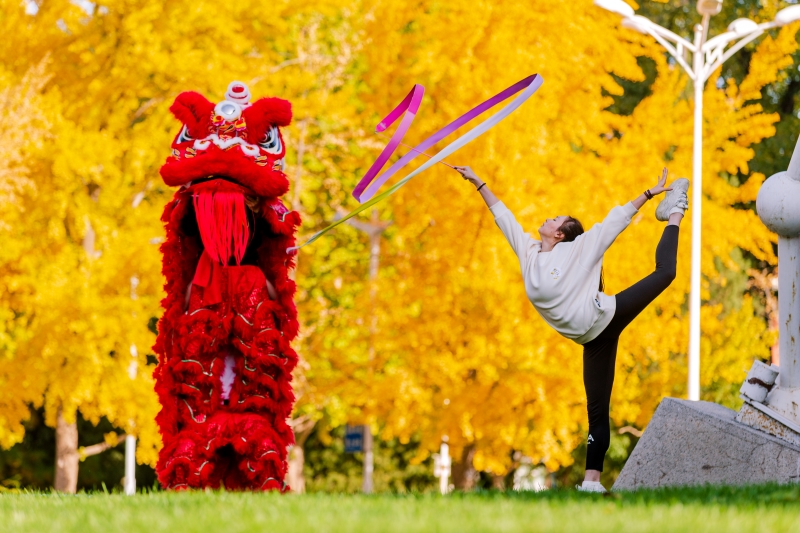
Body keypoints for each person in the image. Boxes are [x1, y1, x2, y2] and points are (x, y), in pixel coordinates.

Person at [454, 165, 688, 493]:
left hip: (606, 317)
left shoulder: (577, 249)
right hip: (590, 339)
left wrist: (649, 195)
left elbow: (613, 222)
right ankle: (591, 482)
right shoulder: (530, 253)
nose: (547, 219)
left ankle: (676, 207)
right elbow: (503, 216)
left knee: (666, 273)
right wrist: (478, 182)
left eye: (554, 219)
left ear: (560, 233)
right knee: (596, 410)